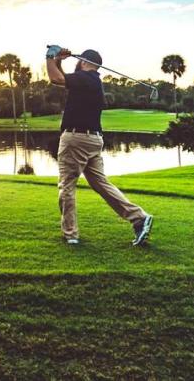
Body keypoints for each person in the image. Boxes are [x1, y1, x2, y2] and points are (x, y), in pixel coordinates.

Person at [46, 47, 153, 247]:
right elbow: (62, 78)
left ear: (84, 62)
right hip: (93, 140)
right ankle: (138, 217)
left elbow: (56, 79)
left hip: (76, 138)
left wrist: (50, 56)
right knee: (100, 183)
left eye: (79, 61)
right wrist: (59, 61)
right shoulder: (92, 81)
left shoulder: (85, 78)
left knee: (66, 186)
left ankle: (71, 234)